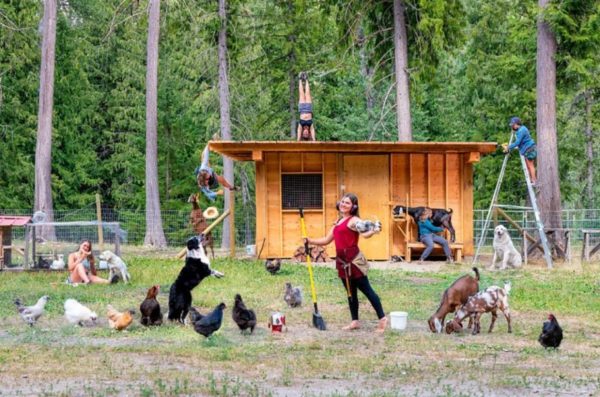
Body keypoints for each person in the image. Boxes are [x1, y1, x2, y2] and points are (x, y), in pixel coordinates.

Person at [305, 193, 387, 333]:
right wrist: (310, 240)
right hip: (342, 262)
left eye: (347, 203)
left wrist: (374, 231)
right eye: (342, 202)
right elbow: (326, 240)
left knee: (367, 290)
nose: (343, 204)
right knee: (350, 293)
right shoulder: (338, 222)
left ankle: (383, 319)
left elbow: (364, 234)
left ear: (353, 207)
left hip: (354, 261)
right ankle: (354, 321)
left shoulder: (354, 220)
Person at [503, 116, 537, 186]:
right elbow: (521, 143)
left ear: (516, 124)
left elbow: (518, 142)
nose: (512, 127)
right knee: (529, 166)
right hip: (528, 148)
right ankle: (531, 180)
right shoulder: (522, 129)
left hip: (529, 149)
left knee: (530, 165)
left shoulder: (521, 130)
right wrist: (511, 147)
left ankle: (534, 180)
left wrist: (508, 147)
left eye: (513, 125)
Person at [296, 71, 316, 141]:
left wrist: (298, 141)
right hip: (308, 109)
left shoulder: (301, 125)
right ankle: (306, 79)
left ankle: (300, 79)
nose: (305, 133)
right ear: (309, 133)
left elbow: (298, 135)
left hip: (302, 110)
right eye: (307, 134)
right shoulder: (310, 125)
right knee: (307, 93)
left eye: (304, 134)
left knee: (301, 93)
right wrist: (314, 140)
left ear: (302, 133)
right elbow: (313, 134)